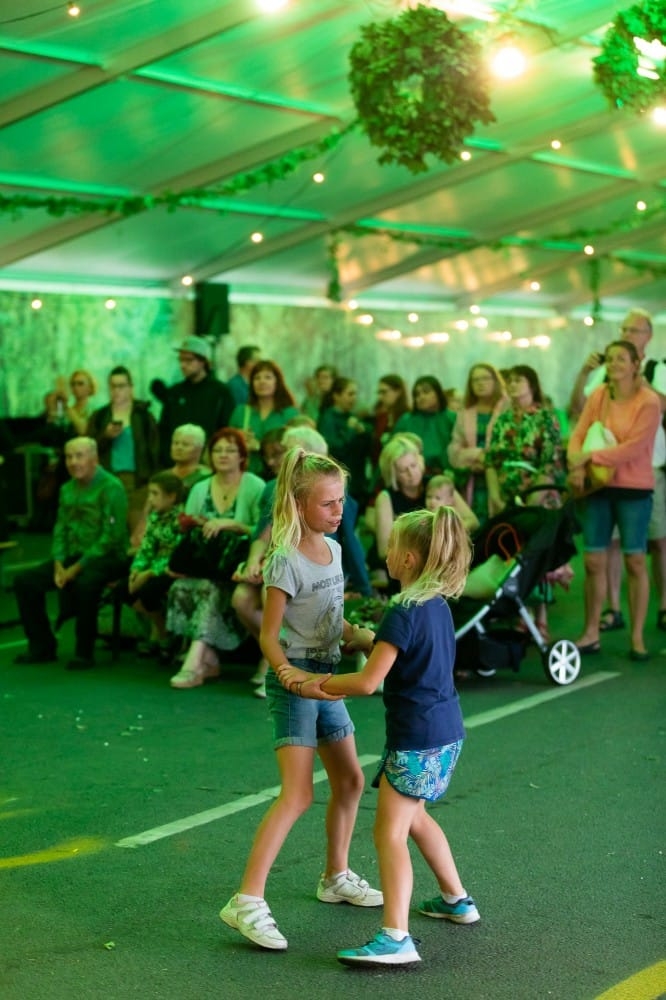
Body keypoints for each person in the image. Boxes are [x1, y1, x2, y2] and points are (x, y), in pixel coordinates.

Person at [276, 506, 479, 967]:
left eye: (390, 545)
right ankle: (455, 899)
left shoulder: (402, 610)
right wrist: (365, 636)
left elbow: (369, 683)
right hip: (446, 734)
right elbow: (411, 655)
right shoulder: (436, 605)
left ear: (407, 559)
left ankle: (396, 936)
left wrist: (312, 684)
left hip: (415, 739)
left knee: (388, 832)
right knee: (416, 819)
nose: (383, 551)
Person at [220, 448, 382, 951]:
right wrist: (286, 671)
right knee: (297, 795)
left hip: (328, 681)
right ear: (299, 505)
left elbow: (331, 621)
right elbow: (270, 635)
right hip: (295, 685)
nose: (339, 511)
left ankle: (335, 876)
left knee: (352, 780)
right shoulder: (285, 559)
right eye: (328, 504)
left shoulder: (332, 551)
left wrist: (363, 635)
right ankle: (246, 900)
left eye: (342, 501)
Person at [568, 309, 666, 634]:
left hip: (639, 482)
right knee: (596, 557)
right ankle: (598, 623)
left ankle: (646, 626)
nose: (614, 364)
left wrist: (586, 456)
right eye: (610, 358)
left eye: (621, 359)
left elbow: (636, 446)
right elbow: (579, 424)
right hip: (599, 485)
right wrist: (575, 459)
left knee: (642, 554)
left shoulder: (651, 390)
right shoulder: (599, 390)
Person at [13, 438, 128, 670]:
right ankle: (42, 646)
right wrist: (58, 562)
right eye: (69, 457)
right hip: (72, 555)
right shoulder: (66, 488)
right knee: (25, 581)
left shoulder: (112, 487)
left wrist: (75, 569)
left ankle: (84, 652)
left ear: (94, 458)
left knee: (85, 584)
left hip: (107, 557)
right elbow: (60, 528)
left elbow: (110, 537)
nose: (73, 462)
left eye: (79, 456)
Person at [167, 428, 265, 689]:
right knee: (188, 586)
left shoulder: (255, 485)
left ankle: (194, 663)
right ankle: (206, 658)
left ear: (242, 456)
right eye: (218, 450)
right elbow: (185, 528)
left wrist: (231, 524)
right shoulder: (200, 487)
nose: (223, 455)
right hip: (207, 566)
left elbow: (264, 530)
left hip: (240, 565)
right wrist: (199, 524)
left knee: (214, 592)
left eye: (230, 450)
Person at [485, 365, 565, 516]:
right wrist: (495, 498)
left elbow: (550, 463)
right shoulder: (502, 420)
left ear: (532, 386)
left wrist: (532, 502)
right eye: (509, 381)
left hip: (537, 495)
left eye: (518, 380)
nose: (512, 385)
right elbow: (491, 461)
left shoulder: (545, 418)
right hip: (504, 496)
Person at [87, 365, 160, 529]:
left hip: (138, 479)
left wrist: (154, 480)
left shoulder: (143, 416)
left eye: (121, 386)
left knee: (138, 527)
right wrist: (105, 436)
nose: (117, 390)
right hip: (108, 478)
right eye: (113, 386)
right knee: (111, 525)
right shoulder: (100, 416)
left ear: (130, 388)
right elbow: (88, 448)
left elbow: (154, 451)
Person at [124, 471, 186, 657]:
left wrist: (149, 573)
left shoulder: (182, 520)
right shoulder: (154, 517)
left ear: (171, 496)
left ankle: (164, 634)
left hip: (171, 569)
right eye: (149, 493)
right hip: (152, 565)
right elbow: (146, 548)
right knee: (124, 590)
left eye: (155, 494)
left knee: (148, 592)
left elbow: (177, 555)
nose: (150, 499)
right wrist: (136, 569)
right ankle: (163, 631)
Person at [158, 337, 234, 464]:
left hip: (208, 461)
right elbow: (165, 429)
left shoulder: (220, 392)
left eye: (188, 360)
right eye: (181, 360)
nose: (183, 365)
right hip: (176, 462)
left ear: (203, 362)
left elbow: (226, 429)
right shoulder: (175, 393)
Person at [448, 363, 508, 521]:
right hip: (472, 479)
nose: (480, 383)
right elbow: (454, 449)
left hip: (502, 477)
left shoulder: (507, 408)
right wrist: (477, 455)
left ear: (495, 381)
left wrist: (489, 459)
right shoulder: (465, 412)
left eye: (485, 378)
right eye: (475, 380)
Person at [229, 359, 300, 475]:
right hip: (245, 473)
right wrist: (240, 441)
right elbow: (228, 443)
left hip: (280, 474)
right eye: (257, 378)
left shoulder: (290, 413)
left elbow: (297, 448)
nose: (262, 382)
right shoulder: (241, 412)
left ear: (277, 382)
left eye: (267, 377)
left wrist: (259, 446)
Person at [317, 376, 370, 505]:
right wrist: (350, 431)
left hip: (357, 481)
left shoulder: (352, 417)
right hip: (338, 481)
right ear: (336, 396)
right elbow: (335, 448)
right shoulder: (327, 418)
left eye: (355, 394)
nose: (354, 398)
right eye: (350, 394)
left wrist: (364, 431)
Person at [392, 375, 456, 475]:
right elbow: (394, 452)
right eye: (417, 394)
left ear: (438, 394)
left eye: (426, 392)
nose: (421, 397)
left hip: (447, 475)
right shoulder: (406, 420)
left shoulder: (452, 418)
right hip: (412, 475)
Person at [168, 424, 211, 494]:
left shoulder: (207, 479)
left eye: (185, 444)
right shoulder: (163, 476)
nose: (179, 448)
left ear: (199, 449)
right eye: (175, 443)